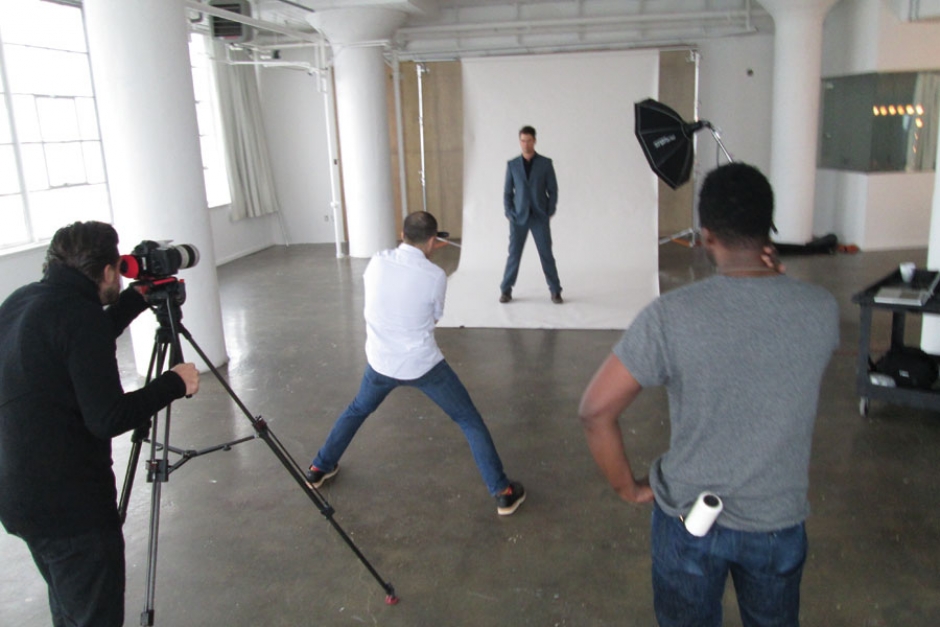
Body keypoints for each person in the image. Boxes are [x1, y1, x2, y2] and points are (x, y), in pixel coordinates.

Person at [578, 163, 839, 627]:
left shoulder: (670, 315)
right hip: (776, 521)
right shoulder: (821, 309)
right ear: (769, 229)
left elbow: (595, 410)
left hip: (689, 518)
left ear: (706, 235)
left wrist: (628, 487)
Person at [0, 221, 200, 627]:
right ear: (108, 271)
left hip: (19, 496)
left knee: (70, 608)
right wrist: (173, 383)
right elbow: (108, 417)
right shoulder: (80, 317)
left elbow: (76, 347)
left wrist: (133, 300)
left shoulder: (23, 300)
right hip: (72, 510)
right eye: (118, 268)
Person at [306, 211, 525, 516]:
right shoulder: (435, 276)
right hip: (423, 366)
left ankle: (319, 467)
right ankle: (503, 492)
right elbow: (435, 317)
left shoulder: (377, 261)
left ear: (402, 234)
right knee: (468, 420)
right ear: (434, 241)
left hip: (381, 363)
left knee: (357, 409)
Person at [500, 125, 563, 304]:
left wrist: (550, 210)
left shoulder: (545, 163)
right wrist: (509, 212)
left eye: (528, 141)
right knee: (514, 255)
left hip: (539, 216)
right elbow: (507, 192)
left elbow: (553, 189)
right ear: (519, 141)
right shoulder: (512, 165)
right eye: (522, 141)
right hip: (518, 217)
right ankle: (506, 290)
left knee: (546, 254)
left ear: (534, 141)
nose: (525, 144)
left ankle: (555, 290)